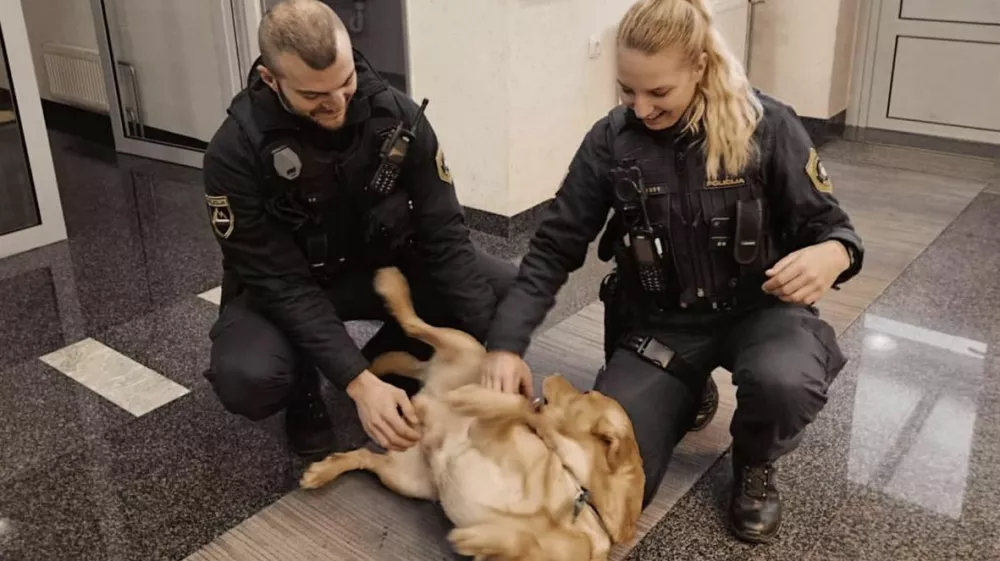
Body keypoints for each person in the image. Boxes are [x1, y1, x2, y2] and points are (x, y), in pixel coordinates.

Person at [480, 0, 863, 545]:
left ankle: (754, 462)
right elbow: (552, 248)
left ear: (700, 67)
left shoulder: (768, 126)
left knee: (784, 380)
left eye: (658, 92)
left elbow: (835, 229)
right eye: (626, 90)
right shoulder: (611, 141)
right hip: (663, 324)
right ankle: (687, 387)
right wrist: (505, 343)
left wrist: (834, 254)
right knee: (606, 468)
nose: (640, 108)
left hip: (760, 313)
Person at [201, 0, 515, 459]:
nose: (337, 104)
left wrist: (493, 348)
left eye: (345, 82)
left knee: (505, 294)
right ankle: (306, 390)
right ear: (270, 79)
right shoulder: (235, 153)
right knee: (249, 376)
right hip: (291, 286)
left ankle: (388, 368)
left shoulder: (397, 116)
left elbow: (445, 236)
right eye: (314, 95)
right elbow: (282, 285)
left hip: (377, 271)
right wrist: (355, 380)